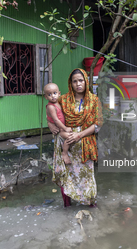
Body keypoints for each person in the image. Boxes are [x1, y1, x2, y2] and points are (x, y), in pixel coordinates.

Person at [47, 68, 102, 207]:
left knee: (87, 177)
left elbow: (98, 124)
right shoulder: (63, 99)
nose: (78, 84)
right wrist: (51, 126)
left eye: (81, 80)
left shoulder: (94, 100)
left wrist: (79, 135)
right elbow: (51, 110)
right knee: (67, 176)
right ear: (70, 83)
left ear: (86, 81)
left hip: (85, 144)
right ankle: (67, 205)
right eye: (74, 81)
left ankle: (91, 205)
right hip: (66, 145)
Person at [44, 83, 73, 164]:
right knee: (70, 137)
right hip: (60, 129)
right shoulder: (51, 107)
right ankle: (64, 153)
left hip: (62, 127)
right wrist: (65, 128)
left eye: (55, 93)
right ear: (46, 97)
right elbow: (56, 120)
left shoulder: (59, 102)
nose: (53, 96)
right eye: (50, 94)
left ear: (59, 93)